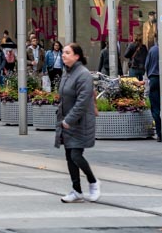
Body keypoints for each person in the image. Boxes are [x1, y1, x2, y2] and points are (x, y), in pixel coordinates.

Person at [55, 43, 99, 203]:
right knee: (69, 156)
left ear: (77, 56)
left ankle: (93, 182)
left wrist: (69, 119)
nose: (63, 55)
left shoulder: (83, 74)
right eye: (63, 53)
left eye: (67, 52)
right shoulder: (67, 73)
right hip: (67, 121)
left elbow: (82, 101)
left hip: (80, 122)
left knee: (76, 155)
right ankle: (77, 190)